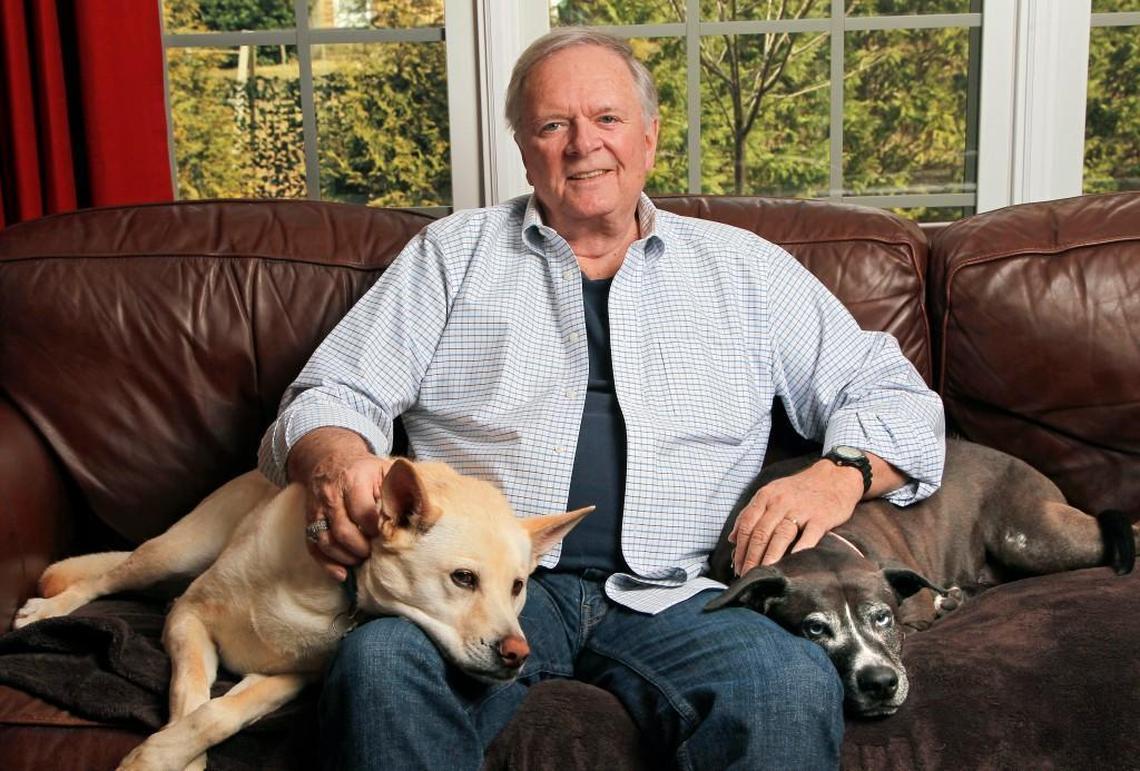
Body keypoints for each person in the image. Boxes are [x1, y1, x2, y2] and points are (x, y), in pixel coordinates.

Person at [259, 27, 945, 771]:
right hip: (487, 586)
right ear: (525, 149)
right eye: (555, 124)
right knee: (380, 663)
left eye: (608, 119)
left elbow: (893, 395)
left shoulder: (747, 270)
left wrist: (837, 472)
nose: (585, 144)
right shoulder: (450, 256)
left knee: (785, 680)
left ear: (648, 138)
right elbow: (331, 390)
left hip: (686, 591)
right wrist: (332, 456)